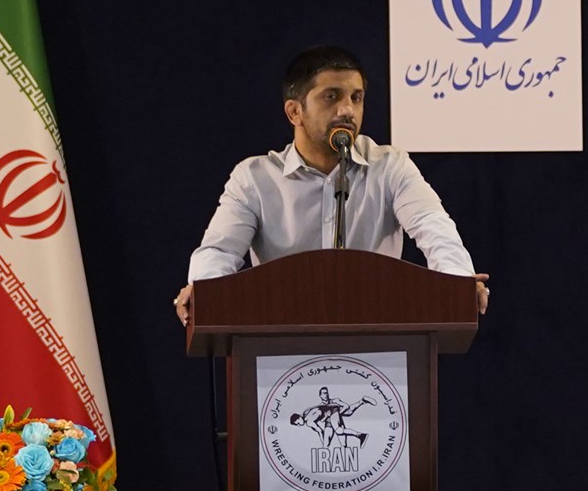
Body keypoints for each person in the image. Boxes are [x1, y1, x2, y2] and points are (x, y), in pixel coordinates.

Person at [174, 46, 489, 322]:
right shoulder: (254, 179)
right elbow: (219, 251)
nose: (347, 110)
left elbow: (434, 227)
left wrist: (458, 282)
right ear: (294, 111)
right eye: (331, 96)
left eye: (356, 98)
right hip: (280, 339)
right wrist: (204, 293)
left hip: (379, 334)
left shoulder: (390, 166)